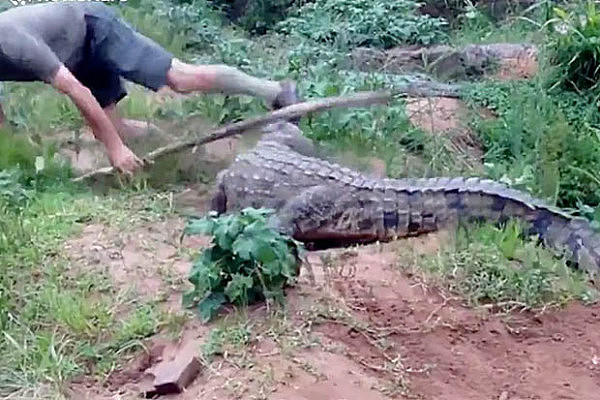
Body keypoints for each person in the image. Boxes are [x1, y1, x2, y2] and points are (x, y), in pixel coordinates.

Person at [0, 2, 299, 175]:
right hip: (75, 55)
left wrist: (115, 151)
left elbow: (77, 91)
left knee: (180, 79)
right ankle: (182, 154)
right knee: (117, 131)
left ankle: (277, 91)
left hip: (93, 28)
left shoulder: (11, 41)